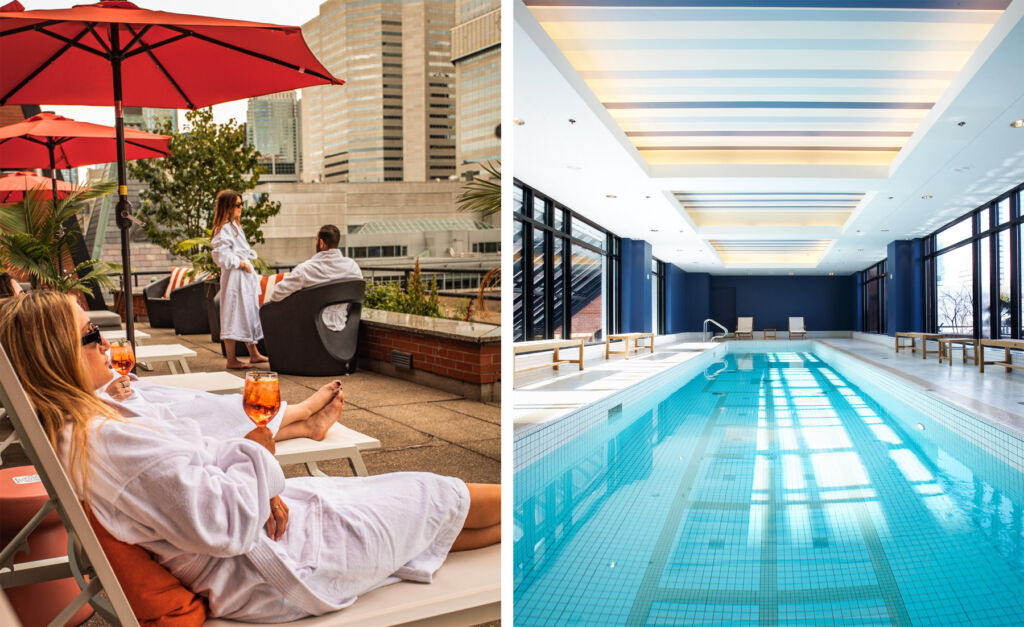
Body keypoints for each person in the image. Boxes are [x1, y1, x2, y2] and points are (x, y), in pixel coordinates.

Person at [0, 291, 500, 622]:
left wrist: (263, 484)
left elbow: (196, 468)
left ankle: (520, 525)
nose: (107, 345)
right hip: (272, 568)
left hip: (267, 546)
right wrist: (259, 458)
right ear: (57, 355)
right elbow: (228, 524)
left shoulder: (83, 429)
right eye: (91, 336)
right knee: (434, 490)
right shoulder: (109, 441)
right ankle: (529, 512)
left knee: (424, 514)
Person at [210, 189, 268, 370]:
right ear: (228, 207)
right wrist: (241, 264)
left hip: (244, 278)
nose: (241, 208)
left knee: (248, 312)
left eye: (241, 204)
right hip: (235, 278)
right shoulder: (223, 229)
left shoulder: (234, 226)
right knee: (233, 313)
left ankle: (253, 354)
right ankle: (231, 359)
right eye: (237, 205)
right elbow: (220, 255)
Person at [266, 225, 362, 331]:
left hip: (311, 331)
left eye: (316, 240)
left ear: (321, 243)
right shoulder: (353, 267)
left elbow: (276, 294)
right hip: (345, 328)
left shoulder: (306, 269)